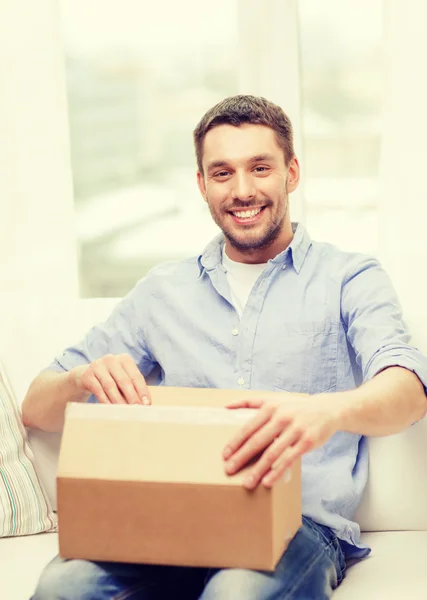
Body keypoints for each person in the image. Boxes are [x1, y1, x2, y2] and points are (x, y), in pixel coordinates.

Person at [24, 95, 427, 600]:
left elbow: (409, 391)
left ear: (292, 173)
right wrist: (80, 380)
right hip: (163, 522)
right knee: (62, 586)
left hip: (298, 527)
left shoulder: (349, 277)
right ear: (201, 184)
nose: (242, 190)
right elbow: (36, 408)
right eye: (222, 173)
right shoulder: (161, 291)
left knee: (235, 594)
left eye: (260, 168)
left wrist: (327, 411)